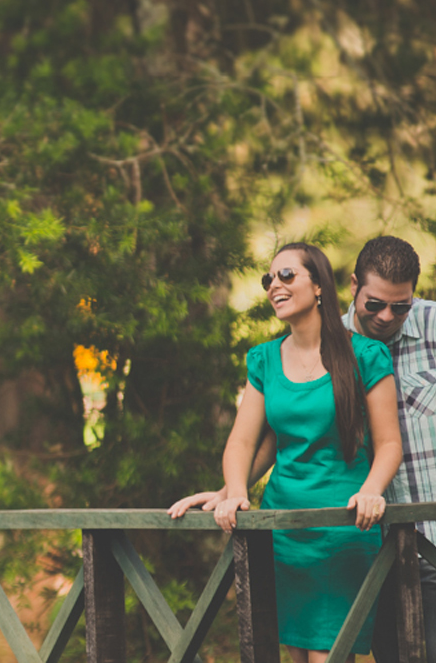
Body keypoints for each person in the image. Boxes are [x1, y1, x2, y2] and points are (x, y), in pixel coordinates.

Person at [169, 236, 436, 663]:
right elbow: (268, 438)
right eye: (375, 303)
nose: (386, 316)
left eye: (401, 306)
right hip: (365, 535)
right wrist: (232, 489)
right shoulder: (317, 345)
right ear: (354, 285)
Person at [169, 242, 403, 663]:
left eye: (287, 275)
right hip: (281, 533)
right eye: (269, 279)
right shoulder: (264, 359)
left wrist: (372, 490)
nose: (274, 285)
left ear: (319, 286)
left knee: (326, 657)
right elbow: (243, 442)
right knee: (295, 654)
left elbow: (389, 444)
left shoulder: (366, 355)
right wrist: (233, 491)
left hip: (342, 528)